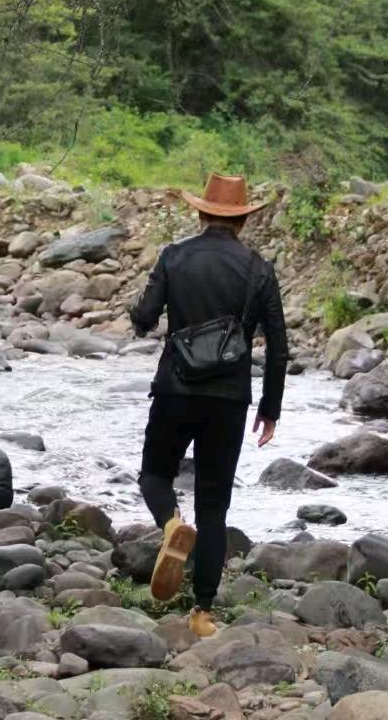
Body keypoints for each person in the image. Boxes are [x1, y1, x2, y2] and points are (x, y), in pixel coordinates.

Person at [129, 173, 289, 638]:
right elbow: (277, 346)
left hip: (175, 389)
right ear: (241, 219)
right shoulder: (259, 268)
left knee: (154, 476)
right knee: (215, 506)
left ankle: (171, 525)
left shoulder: (174, 257)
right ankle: (201, 613)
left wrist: (137, 312)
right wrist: (270, 408)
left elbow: (144, 318)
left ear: (201, 213)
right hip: (229, 399)